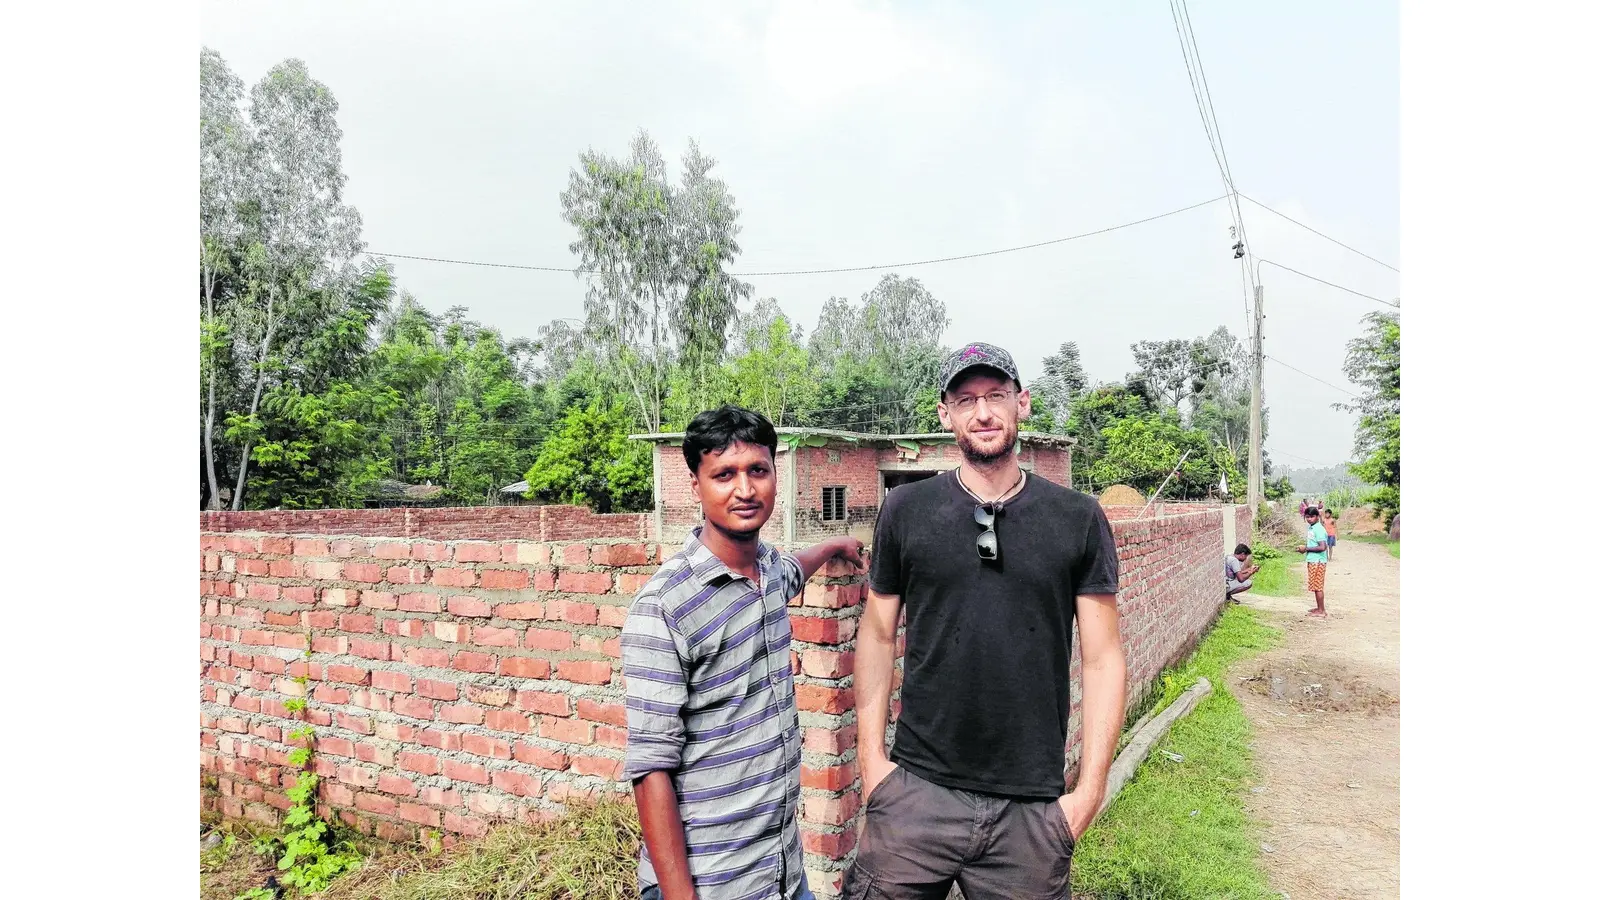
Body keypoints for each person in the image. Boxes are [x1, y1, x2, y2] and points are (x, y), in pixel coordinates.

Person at [845, 342, 1126, 900]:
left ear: (1022, 403)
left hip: (1030, 810)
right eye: (966, 399)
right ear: (945, 414)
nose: (983, 413)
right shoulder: (907, 509)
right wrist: (872, 763)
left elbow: (1103, 658)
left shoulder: (1077, 518)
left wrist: (1089, 791)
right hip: (915, 794)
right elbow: (877, 634)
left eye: (996, 396)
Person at [622, 406, 865, 900]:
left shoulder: (770, 572)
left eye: (758, 470)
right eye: (724, 474)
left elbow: (797, 565)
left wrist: (836, 543)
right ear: (696, 485)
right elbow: (651, 768)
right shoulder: (665, 606)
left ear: (776, 474)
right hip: (710, 881)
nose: (745, 489)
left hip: (781, 871)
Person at [1300, 505, 1331, 618]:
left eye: (1312, 516)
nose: (1309, 519)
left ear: (1317, 517)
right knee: (1315, 585)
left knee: (1318, 586)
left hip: (1318, 561)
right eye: (1307, 517)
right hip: (1313, 560)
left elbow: (1322, 547)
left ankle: (1322, 610)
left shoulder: (1319, 529)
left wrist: (1306, 548)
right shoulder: (1312, 528)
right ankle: (1319, 608)